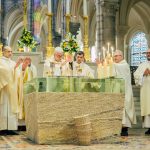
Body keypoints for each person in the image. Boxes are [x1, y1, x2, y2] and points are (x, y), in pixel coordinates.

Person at [113, 50, 136, 136]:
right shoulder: (116, 65)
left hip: (125, 91)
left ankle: (124, 129)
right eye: (114, 56)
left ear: (121, 56)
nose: (115, 58)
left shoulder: (125, 65)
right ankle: (117, 128)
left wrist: (106, 63)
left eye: (117, 56)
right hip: (117, 90)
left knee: (124, 109)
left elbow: (118, 68)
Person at [0, 46, 21, 132]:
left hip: (12, 89)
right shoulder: (0, 61)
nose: (10, 53)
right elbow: (2, 72)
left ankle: (11, 128)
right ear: (3, 52)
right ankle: (3, 128)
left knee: (12, 108)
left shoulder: (12, 62)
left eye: (11, 51)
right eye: (8, 51)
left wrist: (20, 68)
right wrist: (14, 67)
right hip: (4, 89)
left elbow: (18, 74)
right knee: (4, 107)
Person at [134, 49, 150, 135]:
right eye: (147, 53)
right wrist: (143, 74)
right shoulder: (142, 65)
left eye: (149, 53)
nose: (148, 54)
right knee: (147, 107)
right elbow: (136, 75)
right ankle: (149, 127)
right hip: (145, 90)